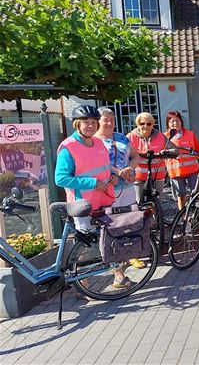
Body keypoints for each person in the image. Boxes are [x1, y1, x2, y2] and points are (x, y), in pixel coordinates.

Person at [55, 106, 131, 288]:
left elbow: (103, 169)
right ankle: (82, 285)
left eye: (92, 122)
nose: (90, 126)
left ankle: (119, 277)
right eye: (85, 122)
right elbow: (61, 178)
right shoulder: (68, 147)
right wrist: (94, 184)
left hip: (104, 200)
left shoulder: (98, 143)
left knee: (110, 239)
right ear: (77, 124)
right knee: (86, 245)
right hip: (83, 205)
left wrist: (111, 178)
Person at [95, 108, 139, 208]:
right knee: (111, 220)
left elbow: (135, 156)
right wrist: (117, 172)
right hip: (108, 187)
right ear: (98, 121)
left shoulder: (122, 137)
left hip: (128, 185)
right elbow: (96, 164)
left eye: (112, 120)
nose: (109, 123)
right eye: (105, 120)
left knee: (130, 217)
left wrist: (130, 168)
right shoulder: (93, 141)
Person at [164, 111, 199, 210]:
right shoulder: (165, 137)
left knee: (196, 194)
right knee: (180, 195)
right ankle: (182, 217)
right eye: (172, 121)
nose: (175, 123)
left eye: (177, 120)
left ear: (181, 121)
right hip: (175, 172)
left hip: (192, 170)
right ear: (168, 123)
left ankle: (198, 215)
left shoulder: (190, 134)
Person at [127, 113, 167, 204]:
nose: (145, 126)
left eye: (149, 124)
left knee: (158, 204)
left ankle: (157, 217)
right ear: (137, 125)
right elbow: (123, 151)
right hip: (138, 177)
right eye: (142, 124)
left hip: (157, 176)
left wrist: (170, 152)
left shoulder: (160, 136)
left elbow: (173, 148)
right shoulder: (131, 137)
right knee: (139, 203)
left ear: (153, 125)